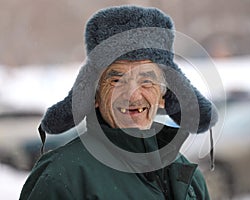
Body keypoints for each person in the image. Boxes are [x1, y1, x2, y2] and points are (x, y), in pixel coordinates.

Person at [20, 5, 218, 200]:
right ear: (94, 96)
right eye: (116, 81)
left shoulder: (188, 178)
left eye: (147, 81)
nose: (132, 95)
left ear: (163, 97)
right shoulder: (61, 176)